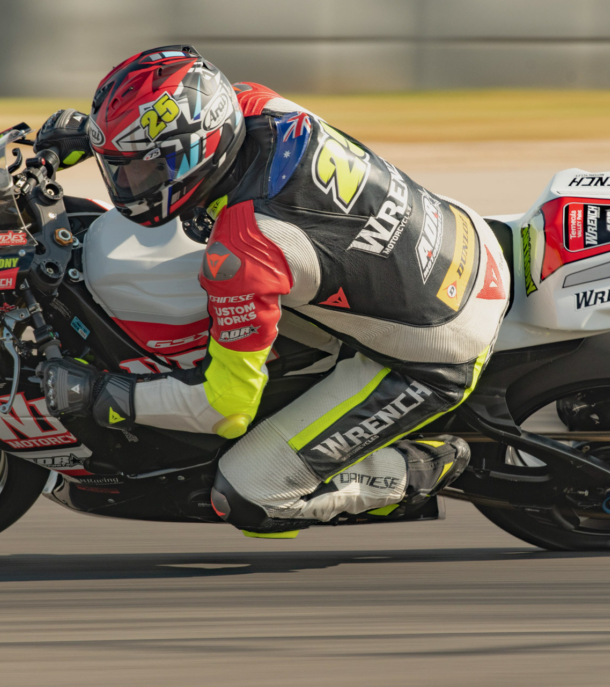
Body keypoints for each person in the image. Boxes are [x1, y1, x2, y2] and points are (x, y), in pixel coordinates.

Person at [34, 45, 509, 536]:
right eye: (117, 166)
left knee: (249, 495)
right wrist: (93, 138)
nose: (126, 183)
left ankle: (418, 469)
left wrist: (108, 394)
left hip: (439, 344)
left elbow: (225, 408)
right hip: (460, 239)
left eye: (138, 169)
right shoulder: (253, 103)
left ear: (190, 154)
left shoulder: (245, 249)